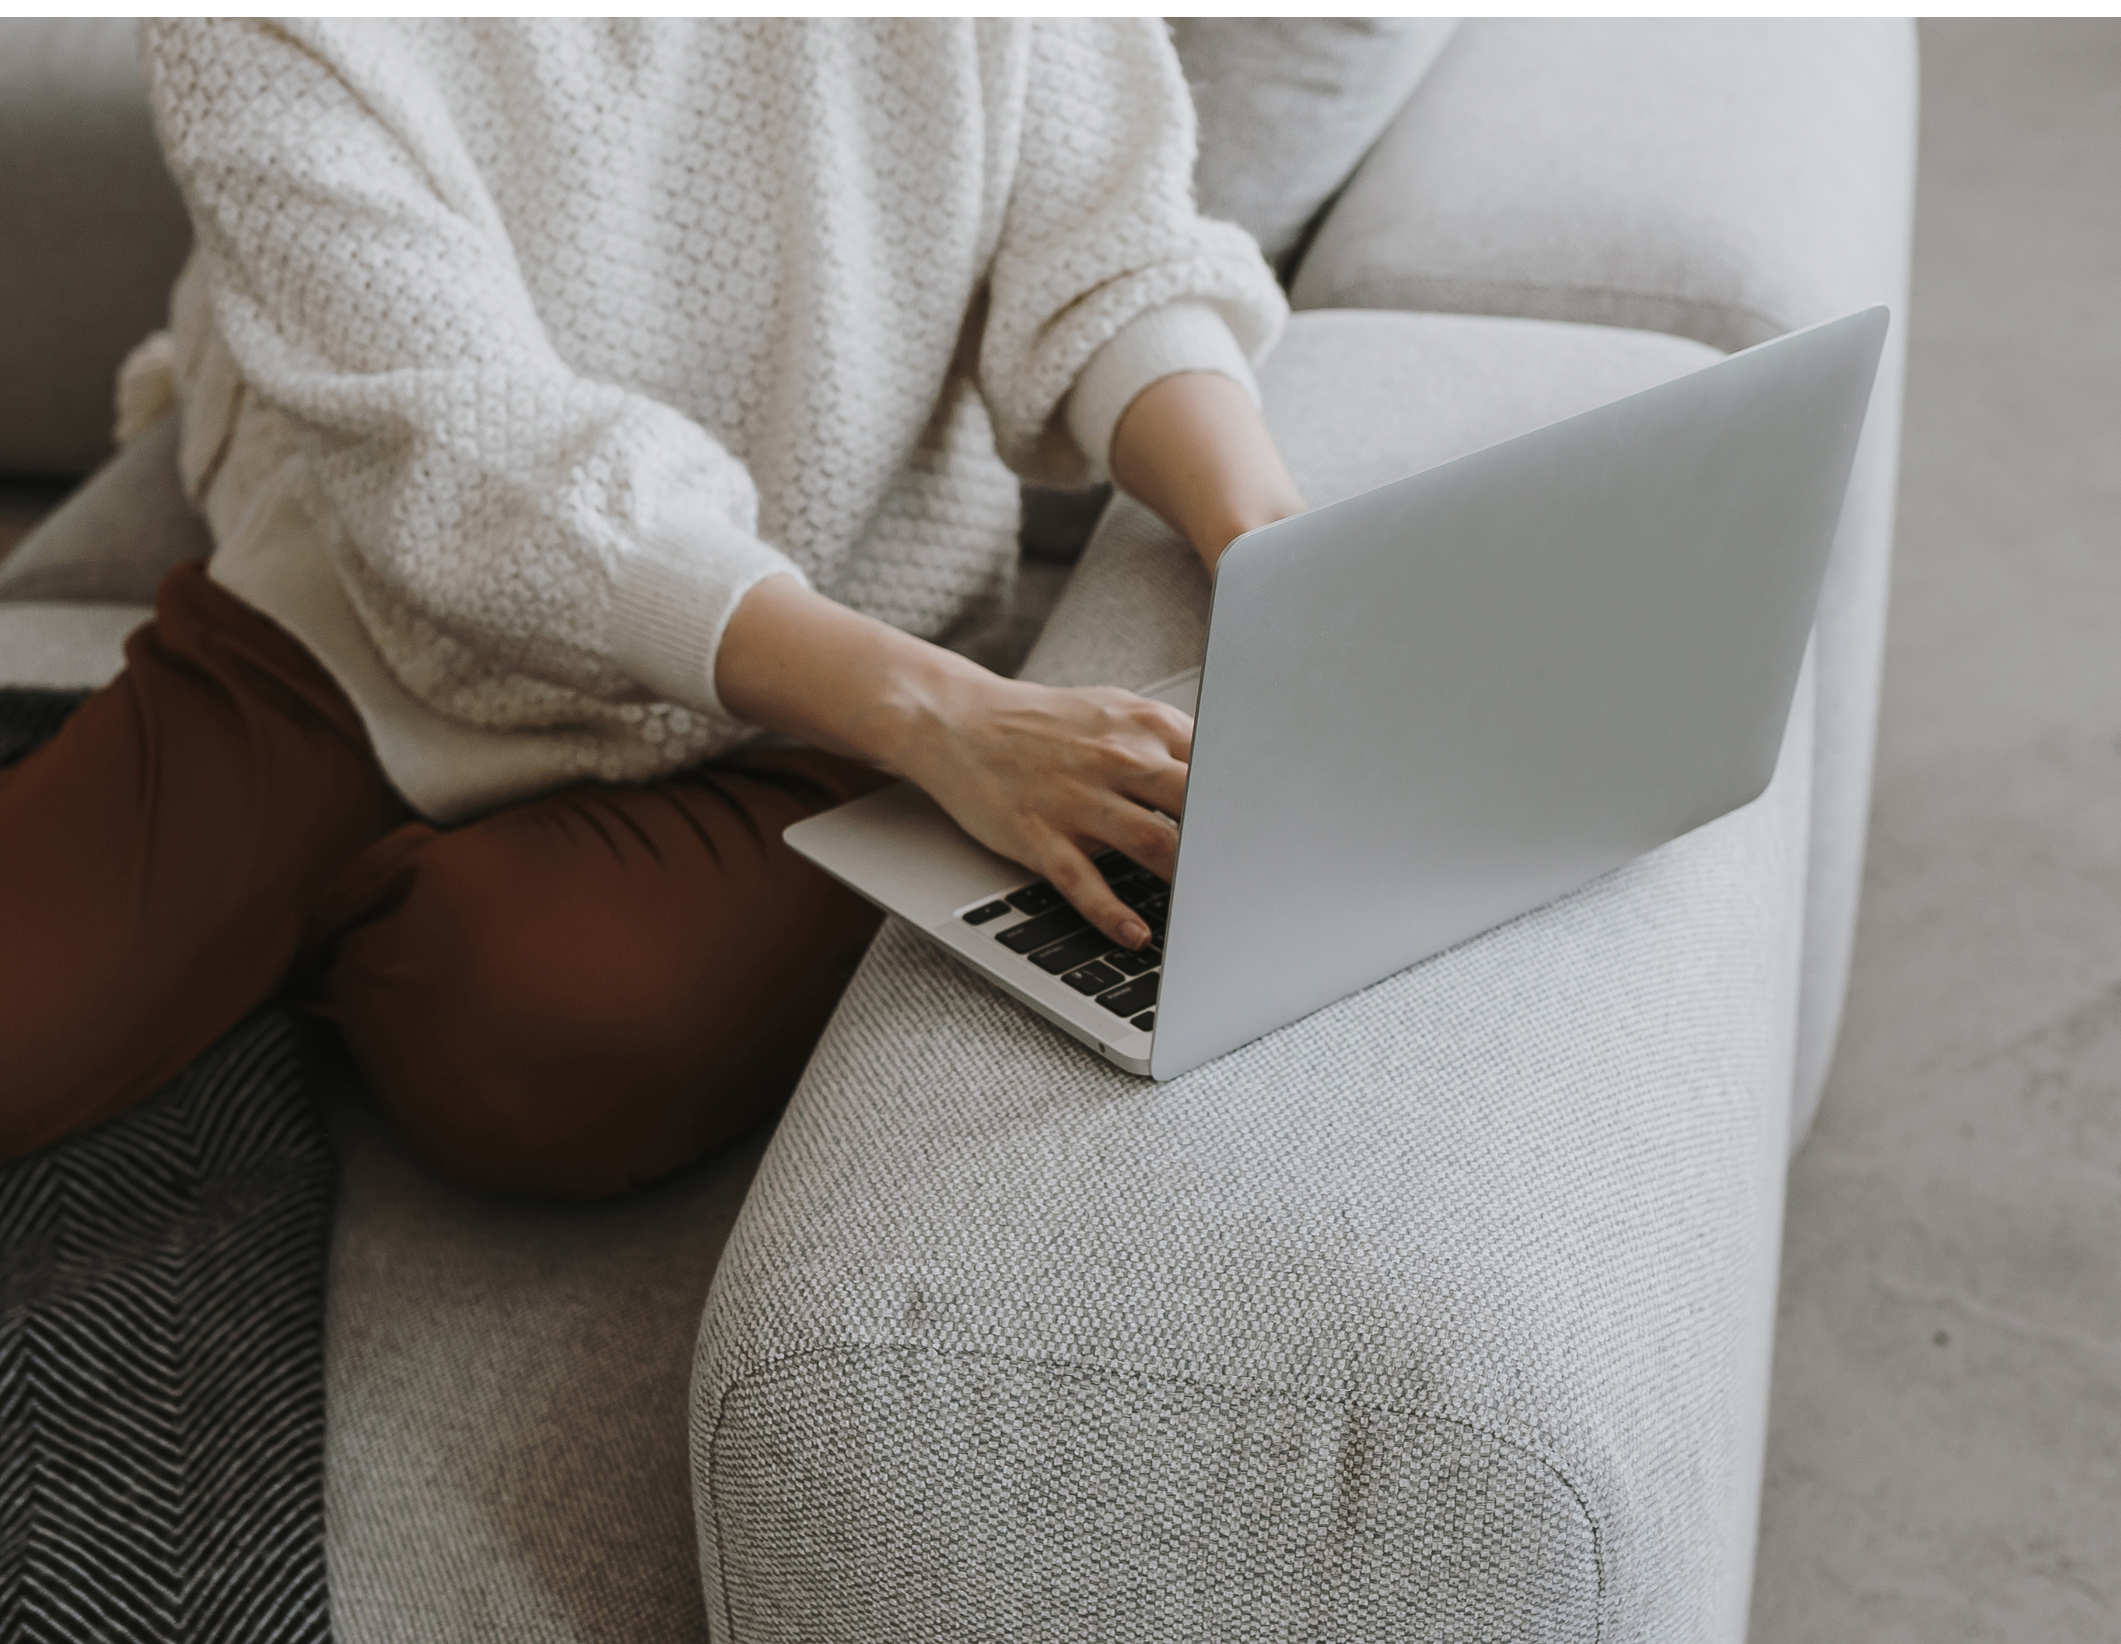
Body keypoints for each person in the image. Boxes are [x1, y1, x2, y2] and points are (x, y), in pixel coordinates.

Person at [0, 19, 1305, 1195]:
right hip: (360, 635)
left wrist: (1262, 540)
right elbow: (459, 453)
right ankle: (323, 876)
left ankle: (338, 907)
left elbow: (1112, 263)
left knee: (522, 1040)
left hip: (825, 679)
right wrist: (948, 720)